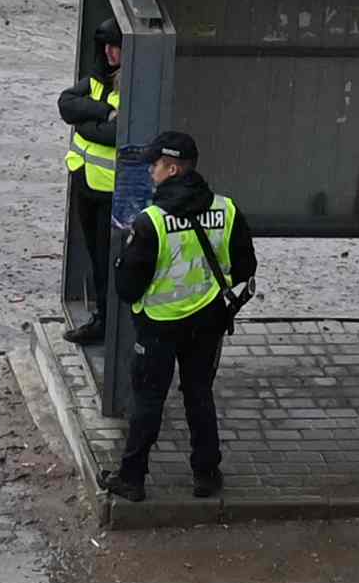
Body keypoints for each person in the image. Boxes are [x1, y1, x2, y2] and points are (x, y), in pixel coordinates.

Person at [105, 127, 251, 503]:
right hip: (208, 323)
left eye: (155, 163)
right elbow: (245, 266)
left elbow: (127, 287)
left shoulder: (150, 222)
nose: (150, 169)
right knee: (199, 395)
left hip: (157, 326)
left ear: (172, 169)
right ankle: (206, 475)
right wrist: (208, 289)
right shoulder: (227, 208)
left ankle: (132, 479)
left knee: (148, 401)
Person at [58, 32, 132, 347]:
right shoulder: (98, 79)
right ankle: (102, 317)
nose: (108, 52)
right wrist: (101, 114)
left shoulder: (133, 85)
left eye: (114, 46)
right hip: (86, 183)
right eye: (105, 46)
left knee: (108, 262)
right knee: (95, 257)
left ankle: (106, 322)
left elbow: (116, 134)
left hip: (111, 194)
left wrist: (86, 122)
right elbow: (66, 104)